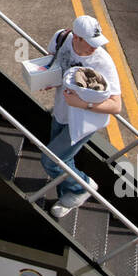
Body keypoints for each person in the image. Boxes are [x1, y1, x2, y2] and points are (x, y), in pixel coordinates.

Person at [40, 15, 123, 219]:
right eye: (90, 43)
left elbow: (116, 105)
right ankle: (66, 197)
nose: (95, 47)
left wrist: (83, 103)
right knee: (64, 160)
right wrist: (49, 80)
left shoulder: (102, 62)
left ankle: (81, 187)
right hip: (60, 112)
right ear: (75, 37)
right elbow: (52, 61)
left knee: (51, 161)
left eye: (97, 42)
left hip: (83, 122)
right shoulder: (61, 38)